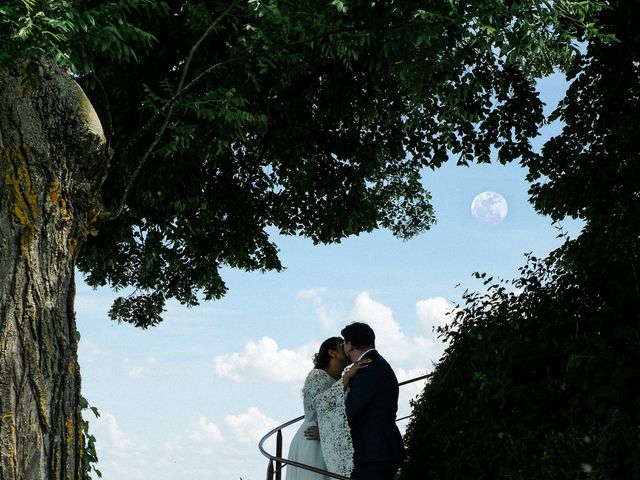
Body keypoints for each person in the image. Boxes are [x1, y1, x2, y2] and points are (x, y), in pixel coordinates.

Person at [286, 337, 369, 480]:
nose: (348, 347)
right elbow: (320, 406)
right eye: (343, 345)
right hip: (312, 440)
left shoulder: (343, 380)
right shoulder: (317, 375)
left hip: (330, 442)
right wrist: (346, 378)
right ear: (332, 353)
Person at [341, 322, 405, 480]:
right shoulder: (376, 364)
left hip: (374, 452)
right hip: (379, 450)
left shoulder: (368, 368)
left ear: (349, 345)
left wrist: (324, 429)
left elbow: (352, 410)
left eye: (344, 343)